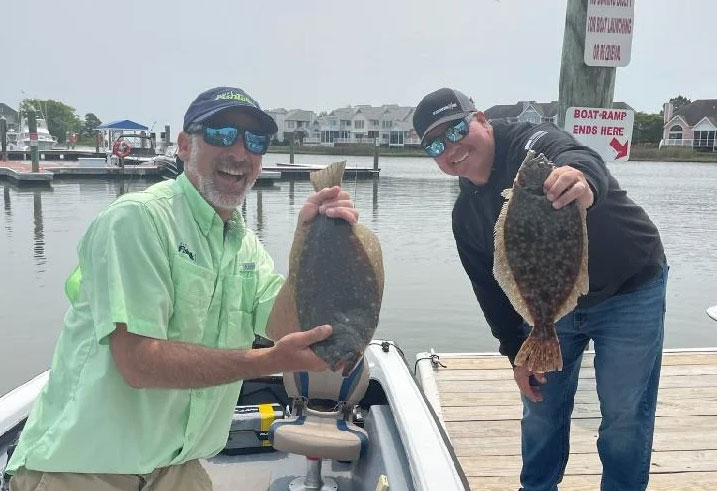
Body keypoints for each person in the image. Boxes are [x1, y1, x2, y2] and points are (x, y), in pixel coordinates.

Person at [6, 86, 359, 491]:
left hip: (176, 468)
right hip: (84, 468)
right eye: (222, 135)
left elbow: (284, 326)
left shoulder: (243, 244)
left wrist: (308, 240)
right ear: (184, 144)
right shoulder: (138, 221)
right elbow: (138, 363)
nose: (240, 153)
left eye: (255, 141)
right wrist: (269, 361)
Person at [413, 88, 667, 491]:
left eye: (457, 128)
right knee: (541, 410)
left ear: (480, 118)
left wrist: (581, 179)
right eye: (436, 145)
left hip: (630, 286)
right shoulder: (466, 215)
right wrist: (517, 352)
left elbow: (572, 153)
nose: (451, 148)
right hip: (552, 309)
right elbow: (491, 290)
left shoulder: (530, 147)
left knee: (624, 413)